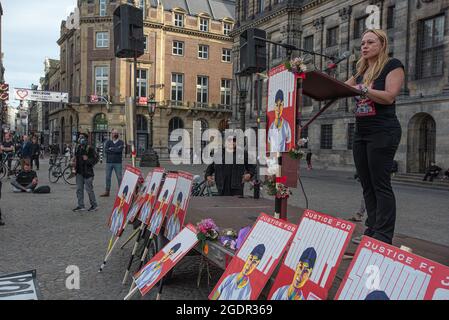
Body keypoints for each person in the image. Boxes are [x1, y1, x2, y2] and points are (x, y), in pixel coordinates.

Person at [345, 29, 405, 245]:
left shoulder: (392, 65)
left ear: (382, 44)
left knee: (380, 184)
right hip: (361, 132)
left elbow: (389, 97)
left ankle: (384, 235)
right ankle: (372, 229)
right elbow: (342, 88)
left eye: (370, 42)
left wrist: (363, 90)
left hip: (383, 131)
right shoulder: (361, 70)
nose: (365, 46)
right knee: (367, 184)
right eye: (362, 43)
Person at [73, 134, 98, 212]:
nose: (80, 139)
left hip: (88, 173)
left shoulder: (90, 148)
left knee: (89, 189)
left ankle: (94, 205)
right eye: (79, 137)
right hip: (79, 172)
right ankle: (81, 206)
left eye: (82, 137)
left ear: (86, 139)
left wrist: (87, 160)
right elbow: (76, 159)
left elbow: (95, 159)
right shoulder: (78, 148)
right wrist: (73, 165)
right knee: (79, 189)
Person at [101, 129, 125, 197]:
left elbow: (119, 151)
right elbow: (106, 150)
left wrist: (111, 149)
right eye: (113, 133)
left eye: (116, 133)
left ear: (118, 134)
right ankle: (107, 191)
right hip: (109, 162)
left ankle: (121, 192)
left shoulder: (121, 142)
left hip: (118, 162)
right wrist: (115, 149)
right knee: (107, 177)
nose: (114, 134)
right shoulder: (108, 142)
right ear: (111, 134)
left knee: (119, 177)